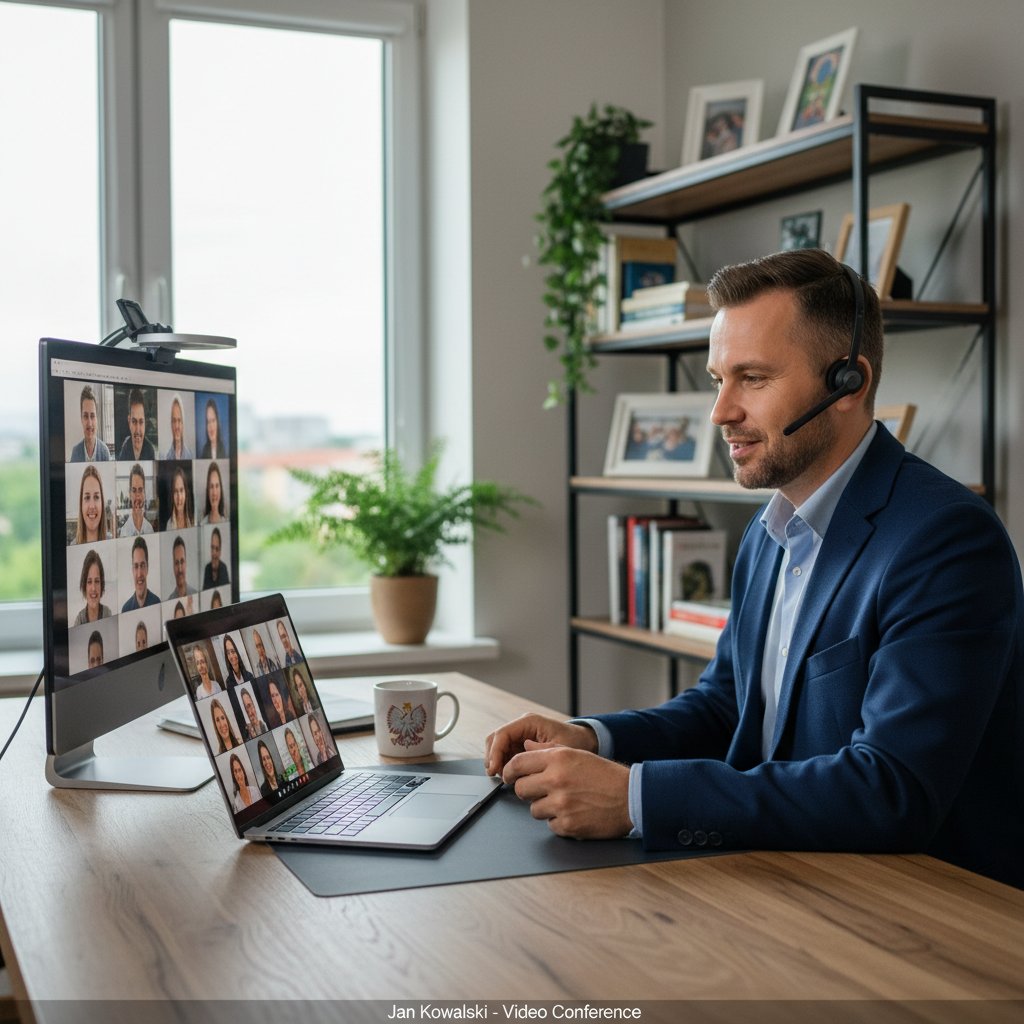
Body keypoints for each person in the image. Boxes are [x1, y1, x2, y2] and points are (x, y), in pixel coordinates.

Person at [485, 249, 1024, 891]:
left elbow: (891, 790)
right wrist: (592, 738)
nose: (720, 412)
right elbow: (728, 706)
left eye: (754, 379)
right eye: (719, 379)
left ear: (847, 383)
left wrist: (636, 799)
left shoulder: (945, 540)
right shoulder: (770, 530)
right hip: (786, 873)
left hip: (918, 908)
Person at [69, 384, 111, 462]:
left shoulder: (105, 452)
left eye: (92, 416)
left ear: (97, 419)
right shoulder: (75, 453)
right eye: (85, 416)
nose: (89, 423)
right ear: (81, 419)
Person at [73, 549, 112, 625]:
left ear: (102, 584)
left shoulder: (108, 613)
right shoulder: (79, 620)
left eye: (97, 581)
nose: (93, 588)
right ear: (84, 586)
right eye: (89, 582)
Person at [121, 537, 160, 611]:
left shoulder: (157, 603)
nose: (139, 574)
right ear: (132, 570)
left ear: (147, 568)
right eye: (136, 566)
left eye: (142, 565)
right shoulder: (125, 609)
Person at [117, 387, 156, 462]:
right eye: (134, 422)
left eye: (141, 422)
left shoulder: (150, 451)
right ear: (129, 422)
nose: (137, 430)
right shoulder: (125, 448)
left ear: (145, 423)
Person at [74, 465, 108, 545]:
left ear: (102, 502)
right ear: (81, 504)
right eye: (87, 497)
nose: (92, 506)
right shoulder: (72, 546)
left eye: (96, 497)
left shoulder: (112, 540)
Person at [119, 463, 153, 537]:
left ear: (145, 493)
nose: (137, 496)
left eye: (140, 490)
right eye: (134, 490)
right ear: (129, 494)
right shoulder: (124, 532)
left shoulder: (150, 529)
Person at [165, 535, 197, 603]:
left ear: (186, 563)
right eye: (176, 563)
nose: (180, 569)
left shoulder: (196, 595)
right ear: (173, 566)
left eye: (182, 562)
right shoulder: (169, 601)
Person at [164, 394, 193, 460]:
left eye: (179, 420)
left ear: (183, 424)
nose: (177, 426)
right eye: (174, 421)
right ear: (171, 424)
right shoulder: (166, 457)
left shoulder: (190, 455)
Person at [164, 465, 194, 530]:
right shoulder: (169, 525)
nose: (179, 497)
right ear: (172, 495)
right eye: (175, 491)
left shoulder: (193, 521)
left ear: (186, 493)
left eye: (181, 490)